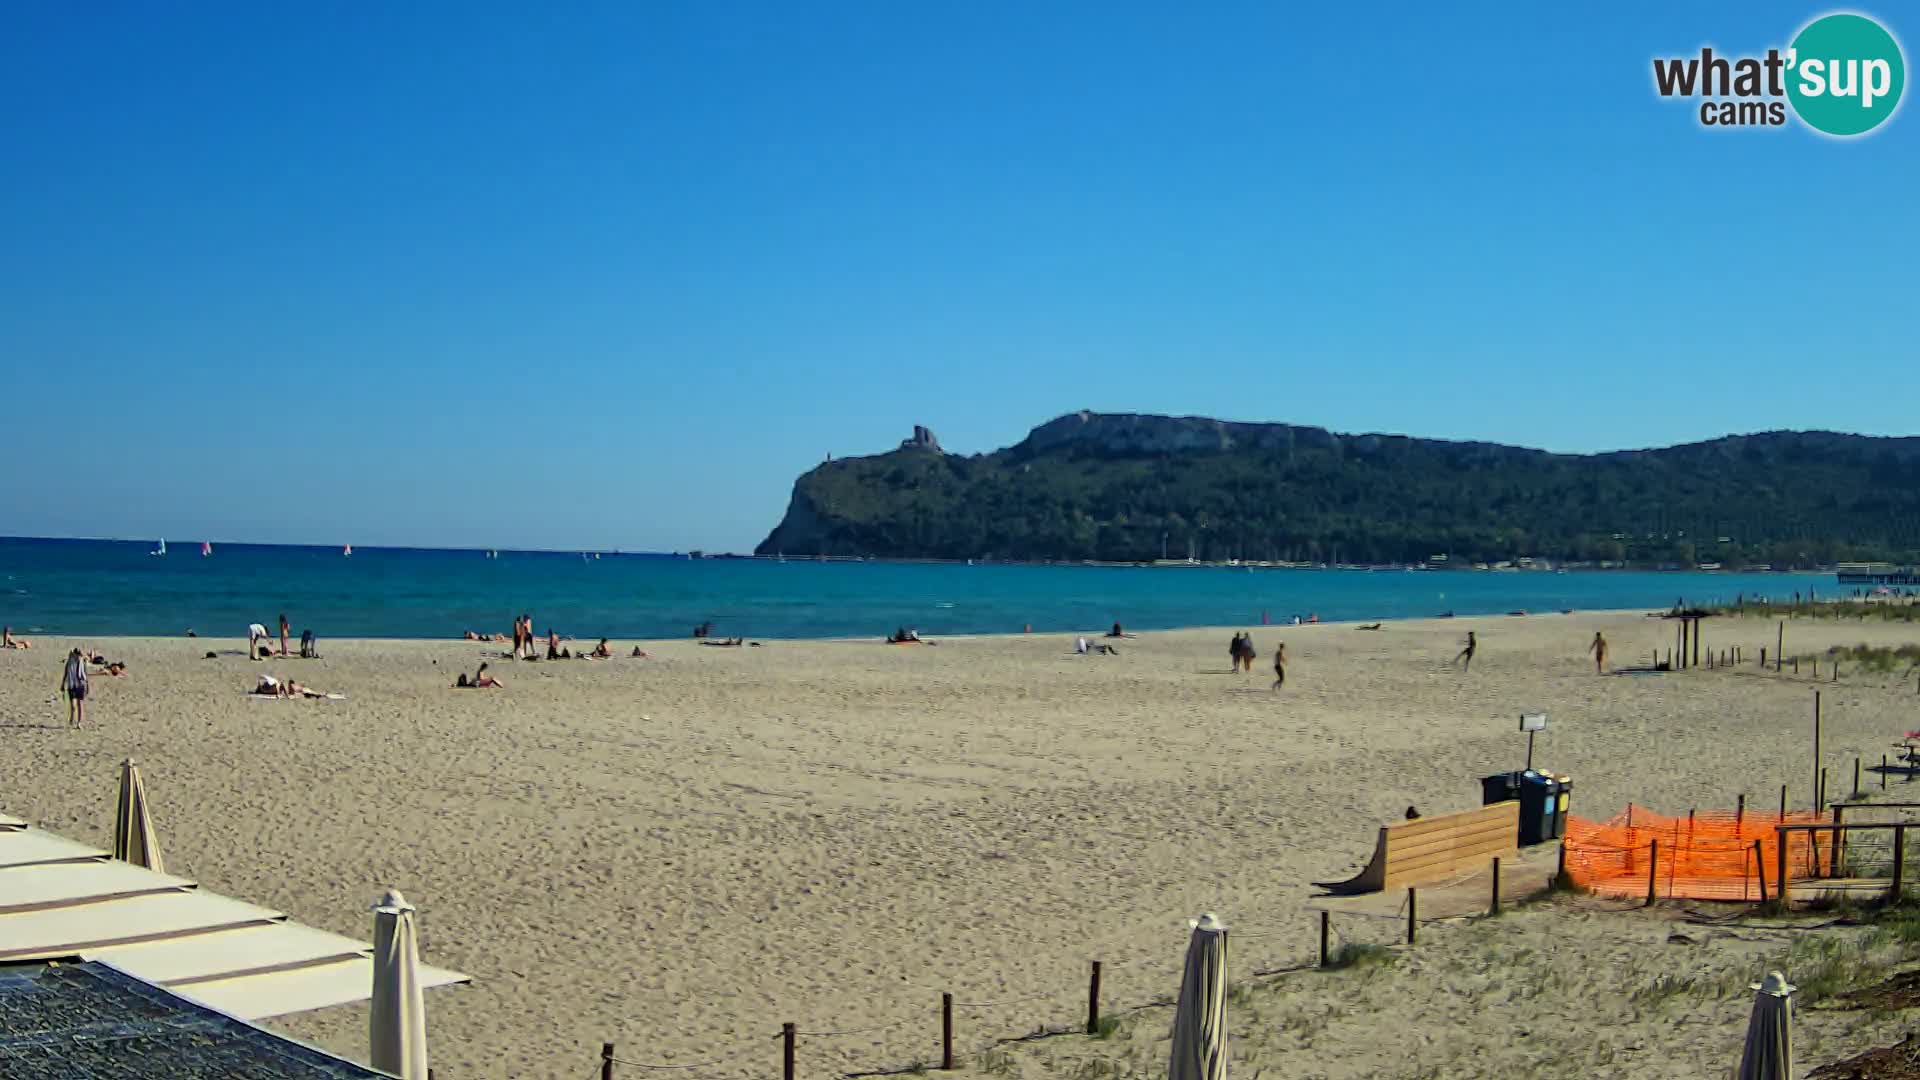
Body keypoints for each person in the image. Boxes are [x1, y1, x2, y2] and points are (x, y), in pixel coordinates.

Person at [61, 648, 88, 727]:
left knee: (80, 703)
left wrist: (87, 685)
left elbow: (85, 675)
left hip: (80, 684)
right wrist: (63, 684)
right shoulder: (69, 662)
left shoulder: (82, 662)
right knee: (73, 705)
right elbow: (65, 673)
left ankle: (79, 723)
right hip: (71, 684)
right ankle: (72, 718)